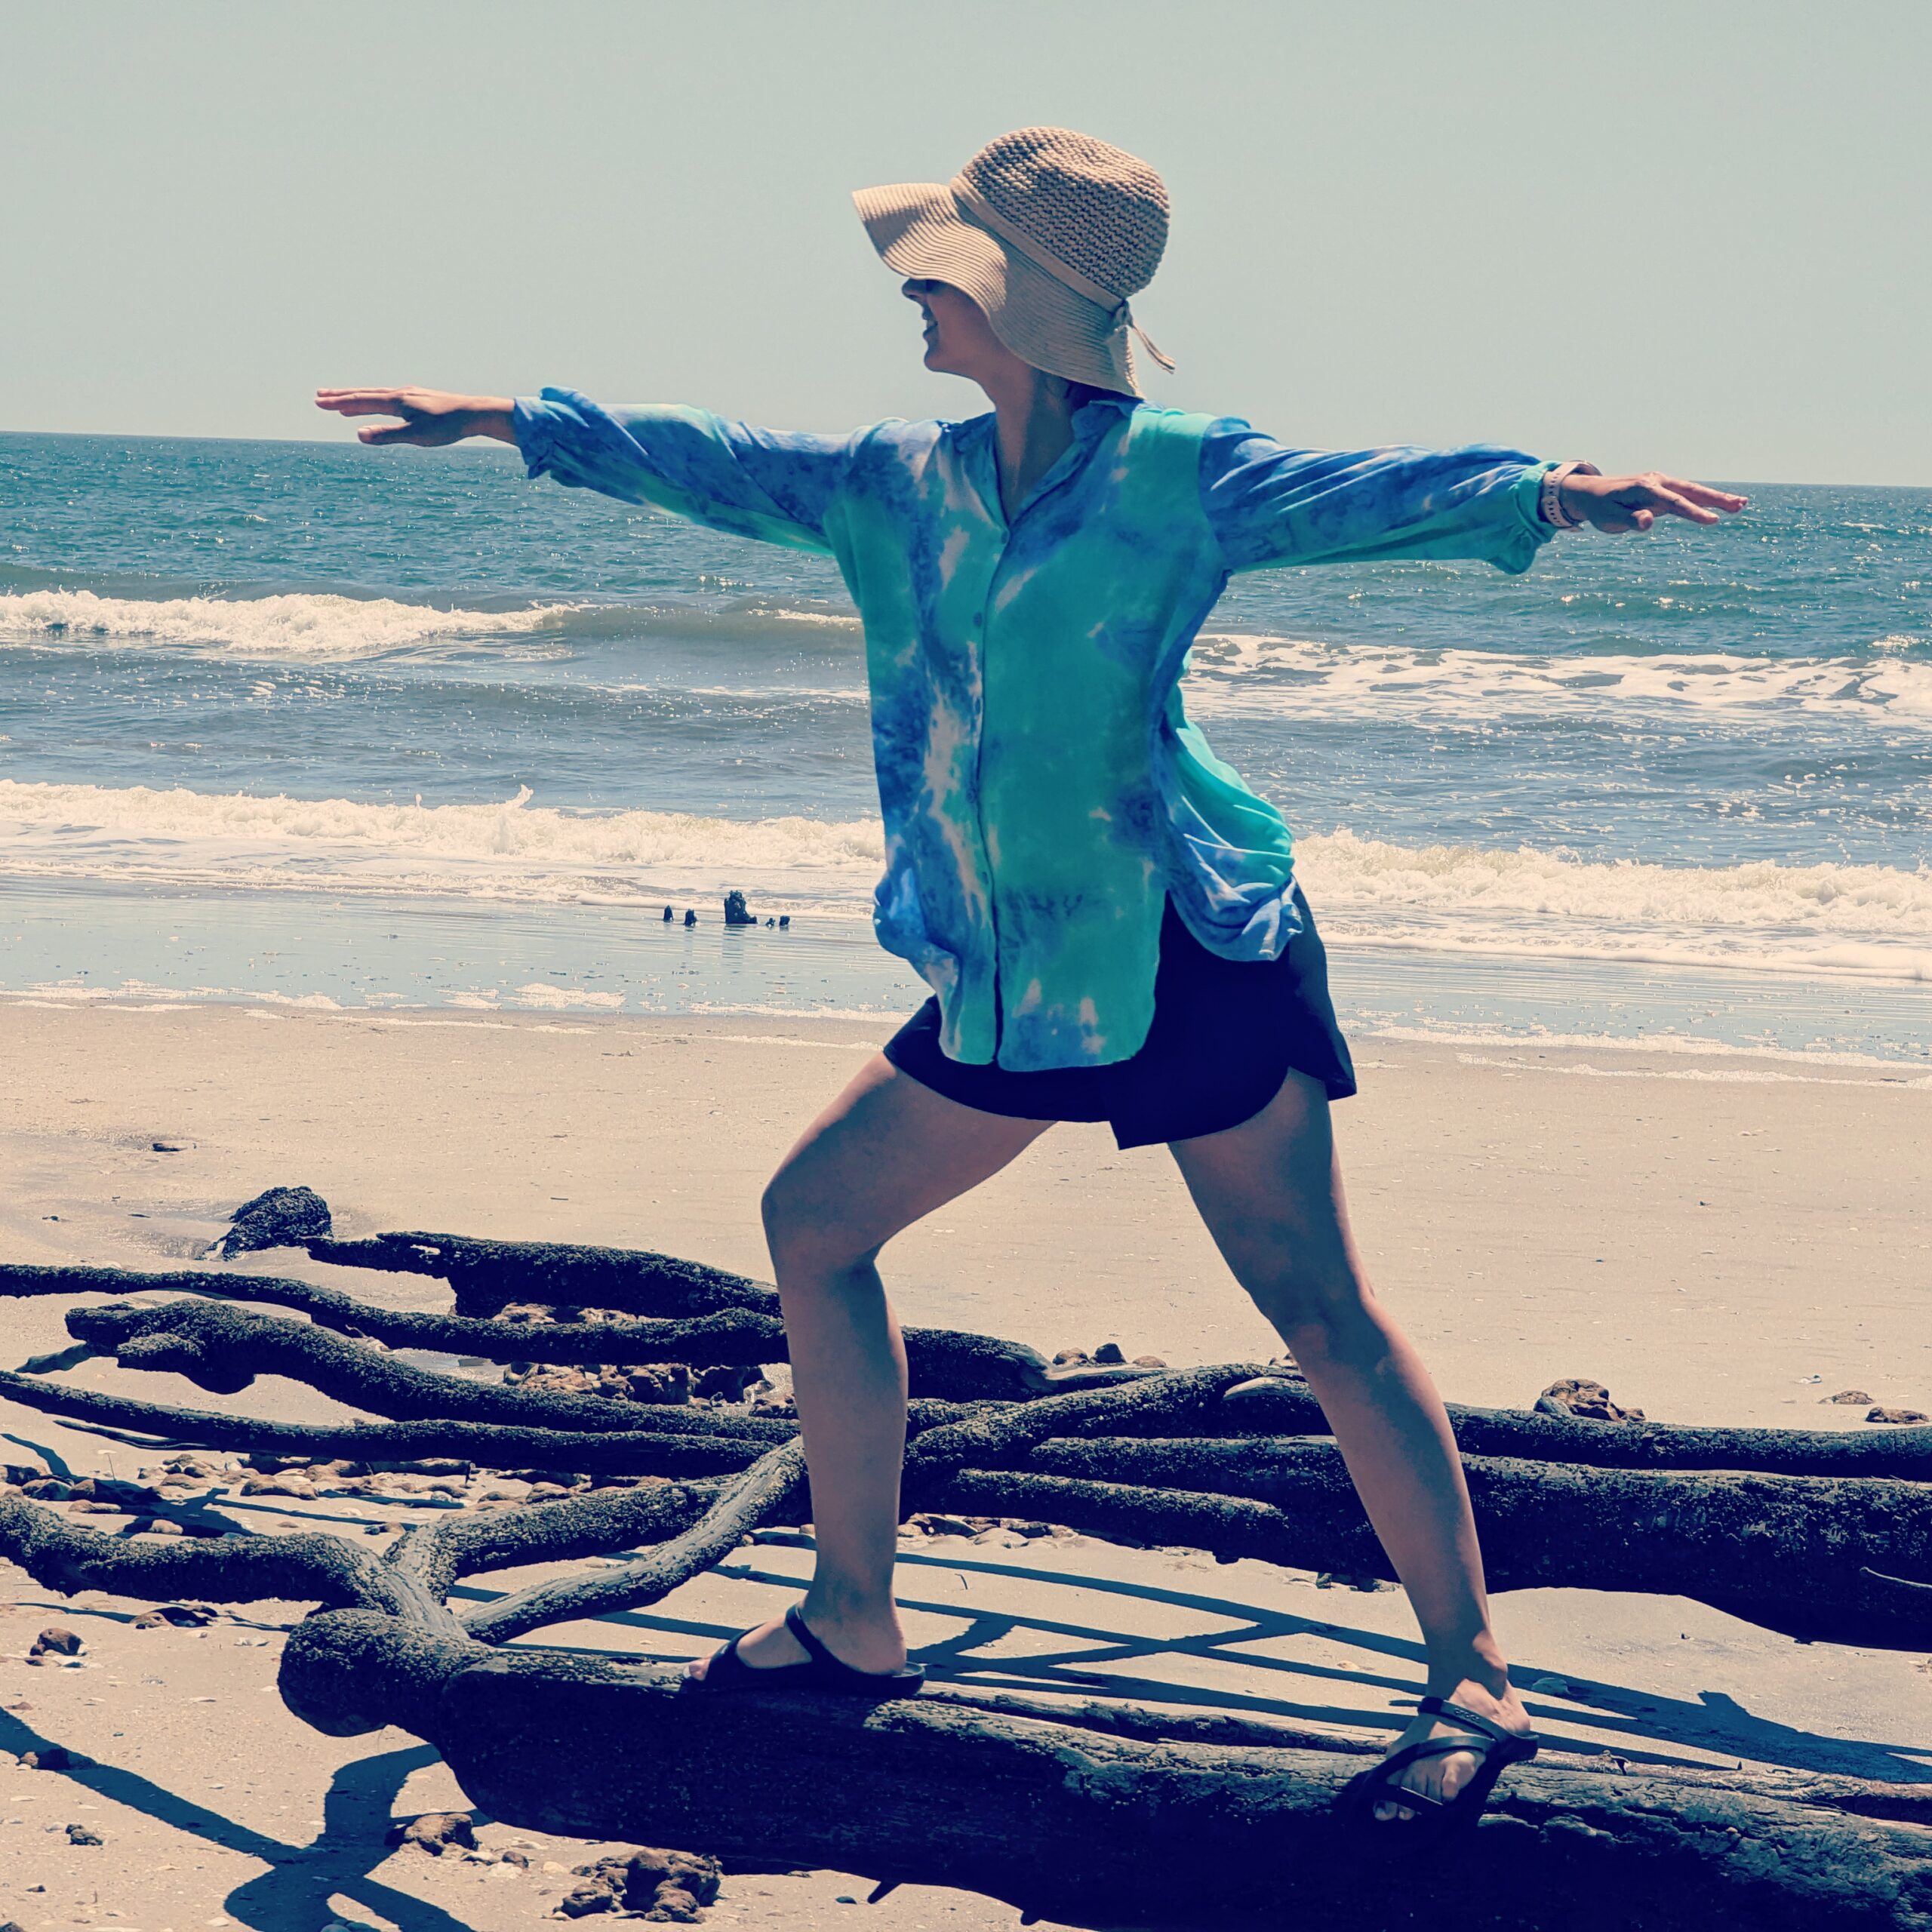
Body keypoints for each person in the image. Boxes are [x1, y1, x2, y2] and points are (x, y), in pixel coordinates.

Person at [316, 126, 1745, 1832]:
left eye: (936, 270)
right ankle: (854, 1614)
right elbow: (704, 457)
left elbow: (1375, 490)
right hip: (1003, 971)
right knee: (811, 1221)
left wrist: (1544, 490)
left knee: (1319, 1316)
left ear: (1014, 298)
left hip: (1186, 953)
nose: (910, 294)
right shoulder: (891, 484)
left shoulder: (1181, 478)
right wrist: (504, 419)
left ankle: (1471, 1670)